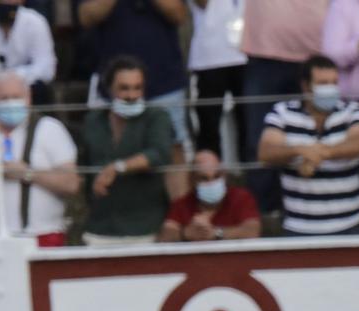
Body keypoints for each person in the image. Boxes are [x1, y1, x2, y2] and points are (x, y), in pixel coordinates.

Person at [257, 53, 359, 235]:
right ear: (305, 86)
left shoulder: (351, 110)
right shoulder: (282, 112)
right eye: (323, 83)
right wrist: (300, 149)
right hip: (299, 227)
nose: (331, 89)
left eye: (334, 82)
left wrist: (318, 153)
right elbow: (266, 152)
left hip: (352, 223)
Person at [240, 0, 331, 209]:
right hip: (264, 57)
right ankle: (264, 211)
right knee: (260, 140)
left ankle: (317, 207)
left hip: (318, 58)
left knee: (321, 135)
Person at [0, 70, 77, 241]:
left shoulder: (50, 129)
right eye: (4, 98)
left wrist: (27, 173)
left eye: (16, 97)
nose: (11, 102)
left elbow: (71, 183)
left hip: (40, 236)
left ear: (28, 98)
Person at [77, 55, 174, 243]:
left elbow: (159, 154)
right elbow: (84, 167)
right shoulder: (93, 121)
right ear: (109, 89)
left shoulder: (156, 117)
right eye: (124, 88)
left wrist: (117, 167)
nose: (131, 95)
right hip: (100, 228)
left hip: (145, 228)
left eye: (138, 88)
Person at [79, 0, 191, 151]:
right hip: (115, 84)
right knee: (109, 147)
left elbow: (179, 15)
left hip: (164, 81)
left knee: (173, 145)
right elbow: (86, 17)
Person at [159, 146, 262, 237]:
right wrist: (186, 233)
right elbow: (165, 236)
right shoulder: (182, 204)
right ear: (192, 180)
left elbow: (252, 231)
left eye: (217, 176)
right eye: (204, 178)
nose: (212, 183)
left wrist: (216, 233)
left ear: (224, 175)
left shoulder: (241, 197)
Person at [188, 0, 245, 157]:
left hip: (248, 53)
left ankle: (250, 178)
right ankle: (210, 179)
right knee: (208, 128)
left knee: (250, 125)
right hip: (210, 58)